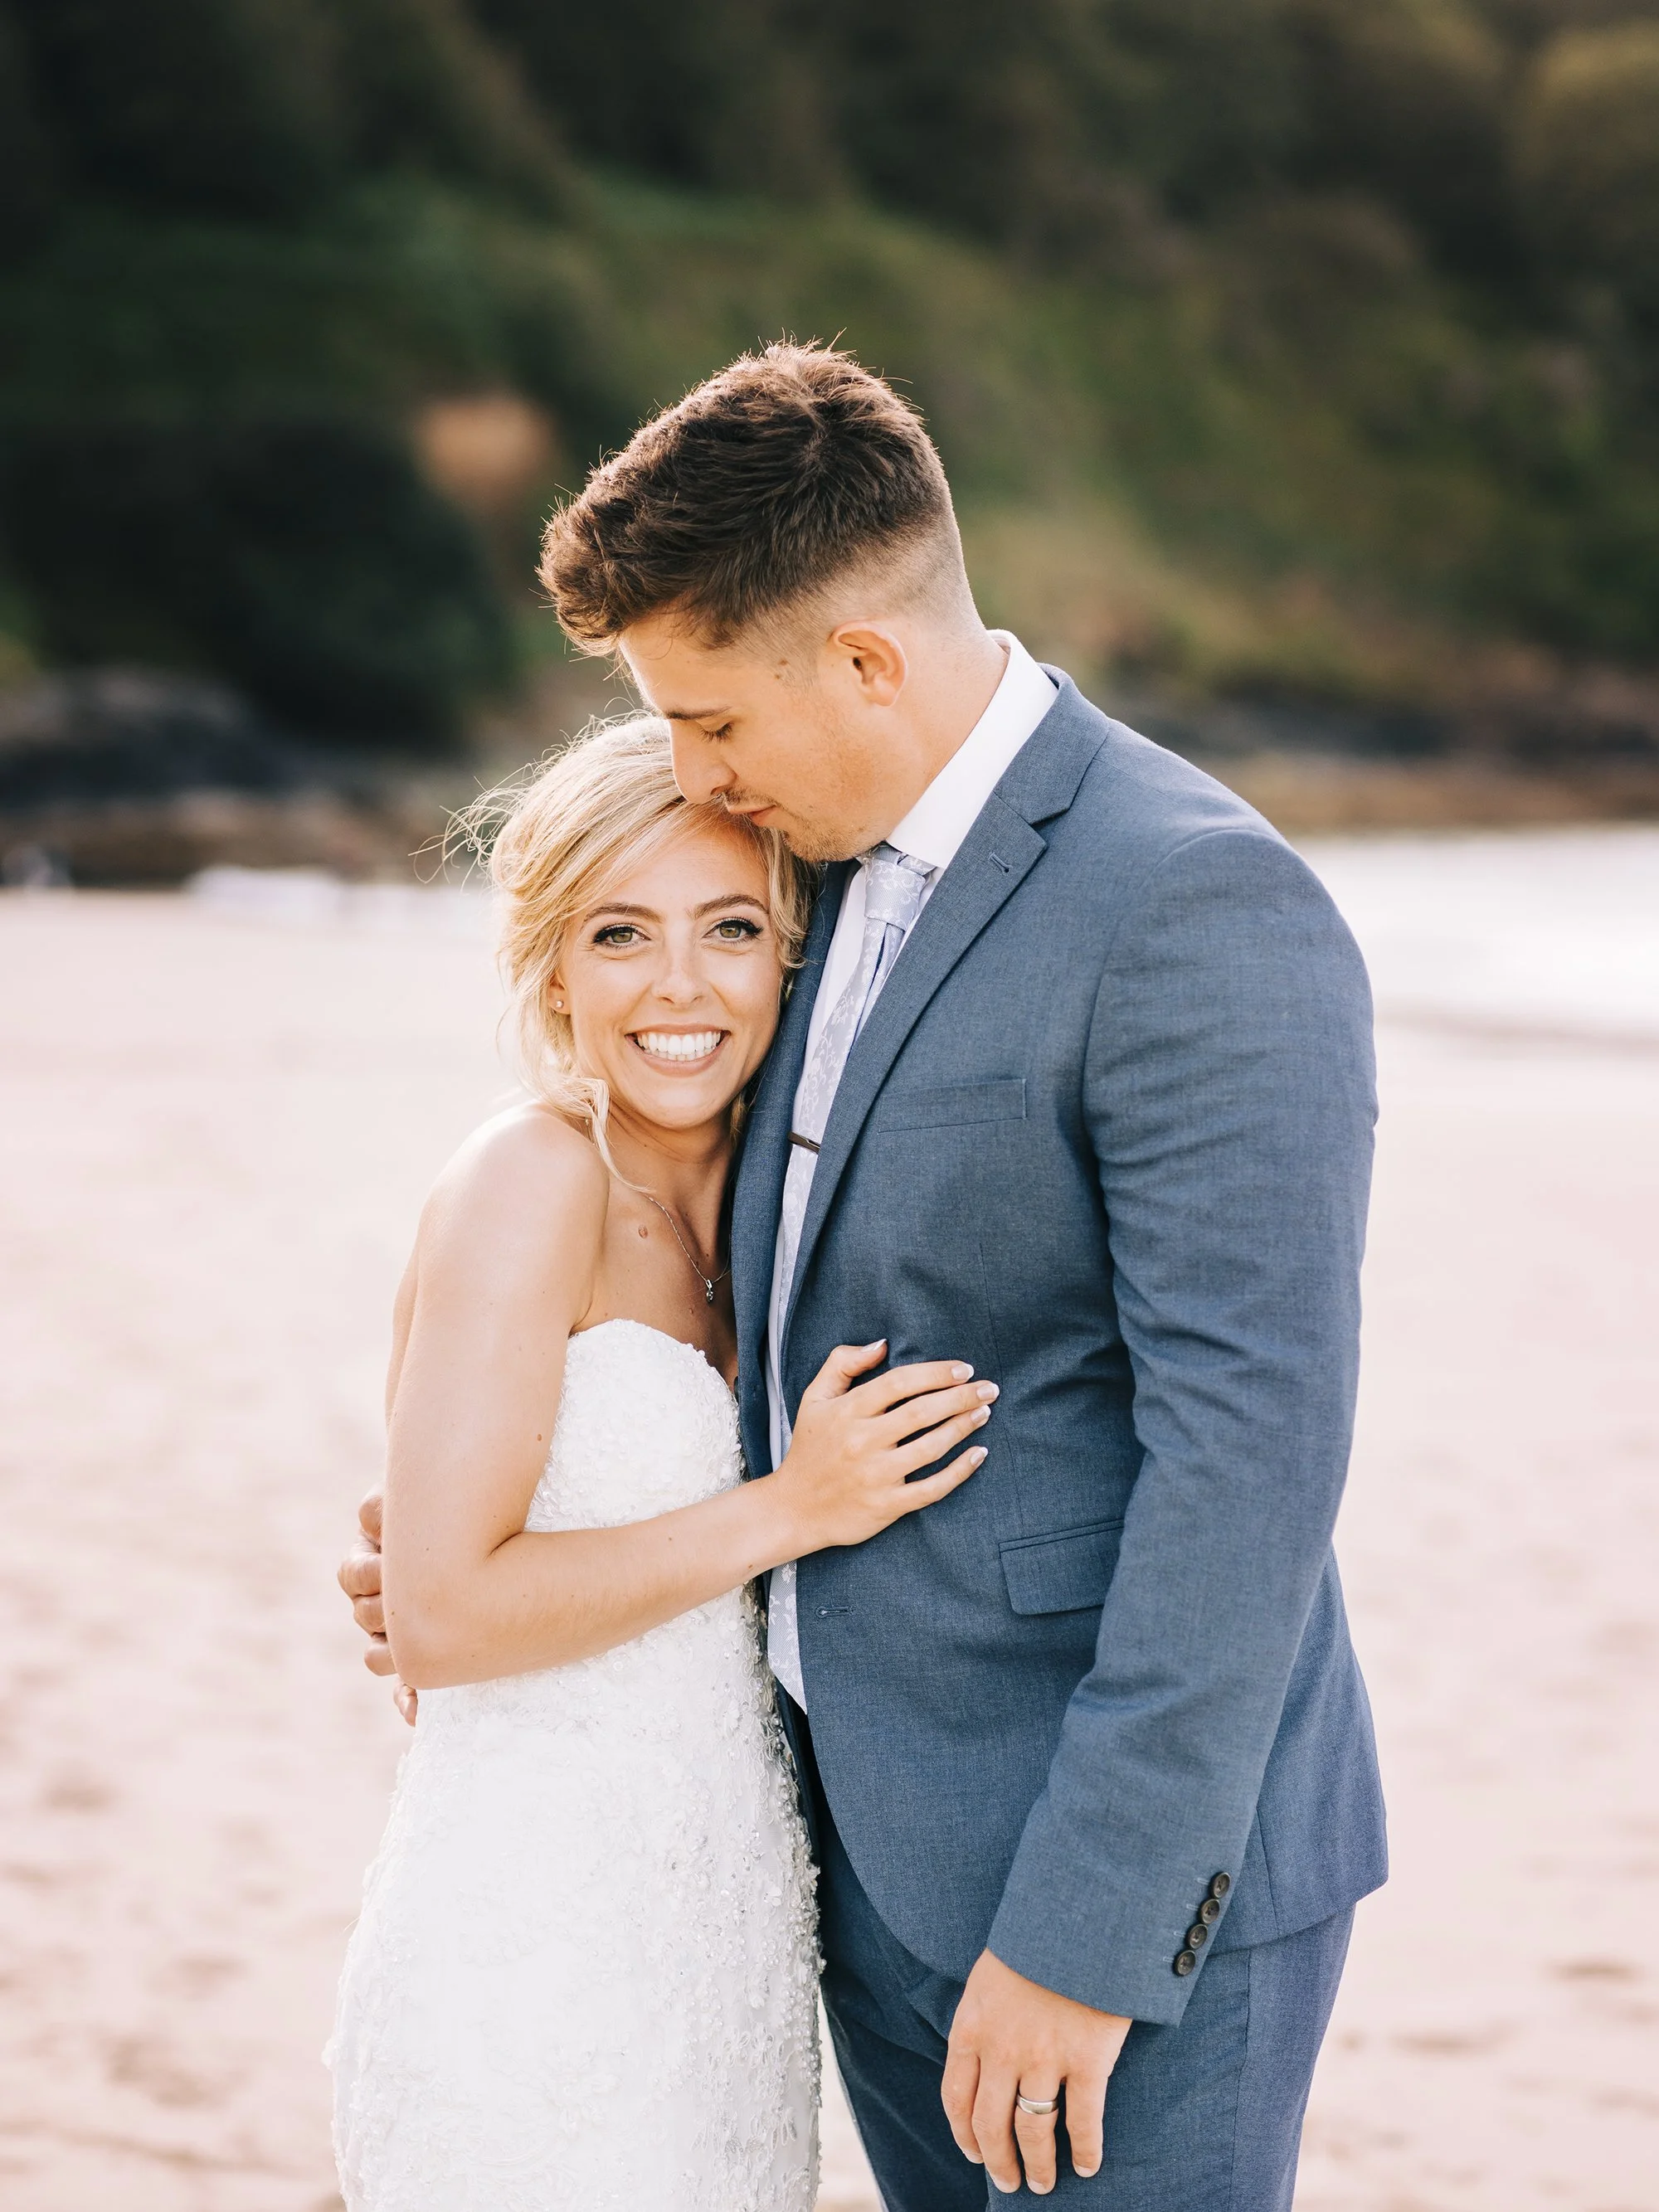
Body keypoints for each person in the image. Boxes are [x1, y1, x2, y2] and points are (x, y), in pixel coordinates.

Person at [343, 340, 1386, 2209]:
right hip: (835, 1872)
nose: (690, 773)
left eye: (709, 719)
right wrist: (496, 1526)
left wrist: (1090, 1934)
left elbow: (1253, 1461)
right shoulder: (804, 890)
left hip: (1100, 1905)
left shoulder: (1189, 904)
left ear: (865, 661)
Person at [328, 715, 998, 2211]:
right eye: (623, 931)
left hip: (728, 1926)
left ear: (792, 959)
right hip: (533, 1943)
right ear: (554, 966)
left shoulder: (782, 1200)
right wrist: (790, 1506)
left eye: (733, 928)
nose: (681, 985)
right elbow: (441, 1613)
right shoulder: (531, 1181)